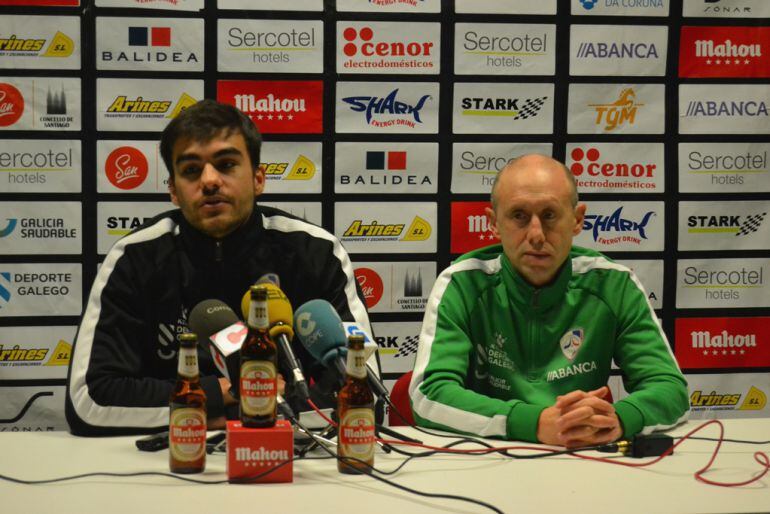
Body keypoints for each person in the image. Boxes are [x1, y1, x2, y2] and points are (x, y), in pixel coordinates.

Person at [66, 99, 373, 436]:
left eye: (226, 164)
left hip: (297, 467)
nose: (209, 181)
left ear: (258, 179)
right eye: (191, 170)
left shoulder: (314, 251)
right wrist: (222, 393)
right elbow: (91, 402)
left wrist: (228, 418)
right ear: (172, 190)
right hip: (170, 467)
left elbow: (363, 396)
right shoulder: (135, 258)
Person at [409, 154, 688, 448]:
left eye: (550, 215)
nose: (536, 235)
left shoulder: (614, 284)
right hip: (488, 457)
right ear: (493, 223)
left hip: (587, 456)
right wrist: (535, 423)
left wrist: (616, 419)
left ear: (577, 220)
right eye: (519, 215)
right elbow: (430, 394)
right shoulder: (462, 284)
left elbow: (670, 389)